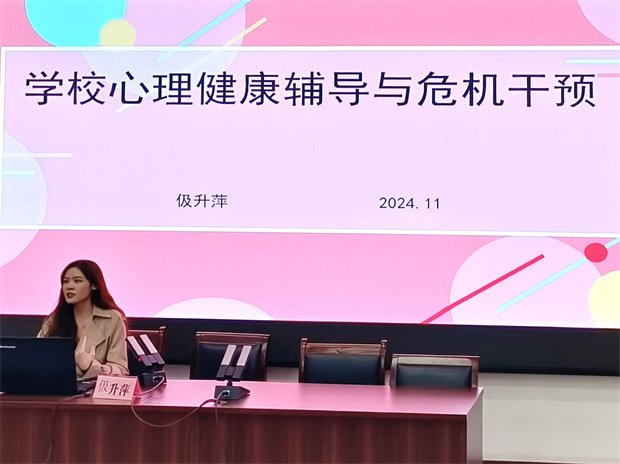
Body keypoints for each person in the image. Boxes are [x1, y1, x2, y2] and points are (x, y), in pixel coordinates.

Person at [38, 259, 129, 380]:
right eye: (65, 281)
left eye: (77, 281)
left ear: (94, 285)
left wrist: (91, 366)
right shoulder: (54, 320)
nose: (69, 286)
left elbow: (121, 369)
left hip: (93, 389)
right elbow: (36, 357)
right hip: (56, 386)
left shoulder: (113, 319)